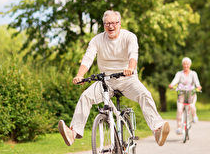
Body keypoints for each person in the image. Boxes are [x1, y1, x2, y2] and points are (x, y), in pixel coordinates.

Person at [58, 10, 170, 147]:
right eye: (107, 24)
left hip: (127, 79)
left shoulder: (129, 37)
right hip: (106, 80)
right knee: (85, 97)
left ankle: (157, 130)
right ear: (103, 25)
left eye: (113, 23)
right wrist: (79, 75)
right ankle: (73, 132)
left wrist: (130, 68)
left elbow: (133, 55)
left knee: (144, 94)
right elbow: (88, 58)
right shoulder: (97, 40)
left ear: (119, 23)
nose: (110, 26)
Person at [168, 57, 202, 135]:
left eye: (187, 64)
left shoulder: (193, 73)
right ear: (182, 65)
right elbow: (175, 81)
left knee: (191, 106)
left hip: (191, 94)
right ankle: (179, 128)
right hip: (181, 94)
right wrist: (171, 85)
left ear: (190, 65)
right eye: (184, 64)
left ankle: (194, 116)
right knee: (179, 110)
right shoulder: (179, 74)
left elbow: (197, 83)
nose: (186, 65)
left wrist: (198, 87)